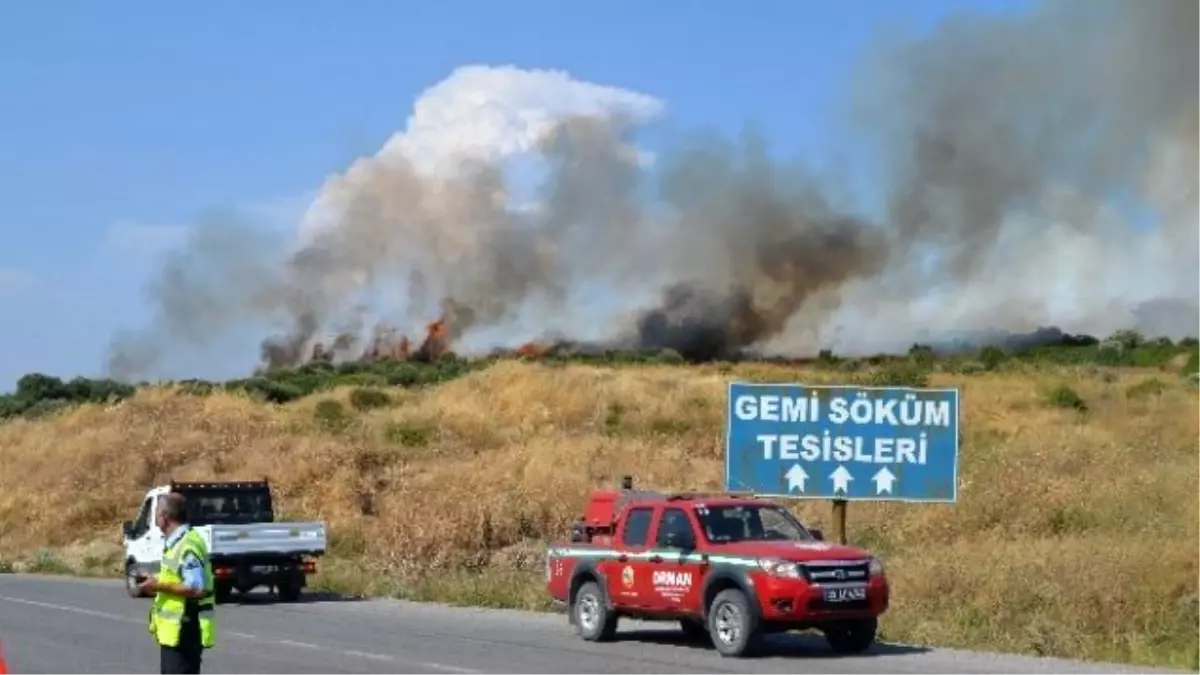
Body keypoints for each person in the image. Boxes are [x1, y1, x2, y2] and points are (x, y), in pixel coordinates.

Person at [137, 492, 217, 675]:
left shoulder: (187, 545)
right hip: (175, 633)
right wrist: (155, 579)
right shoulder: (177, 543)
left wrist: (158, 585)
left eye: (157, 513)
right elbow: (176, 576)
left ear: (165, 517)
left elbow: (196, 587)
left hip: (185, 630)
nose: (155, 518)